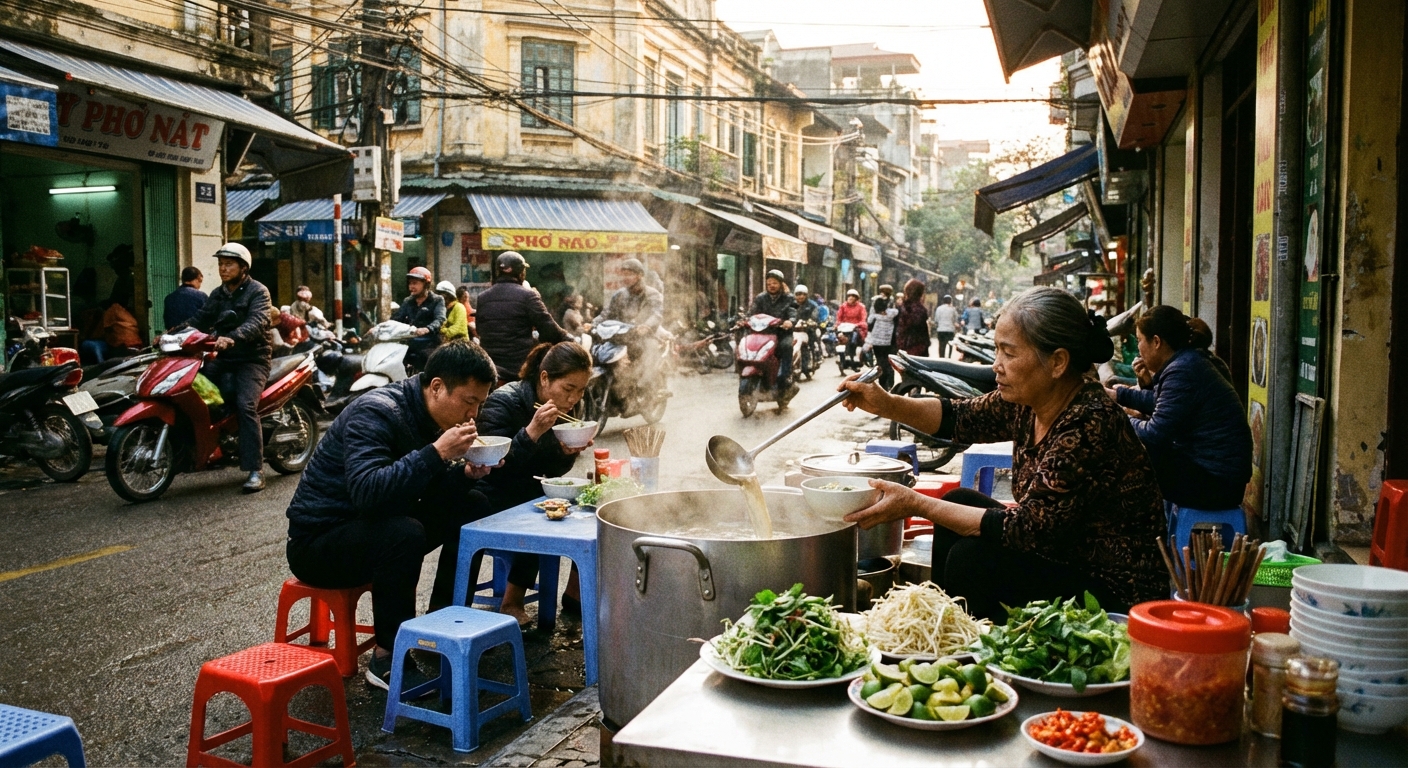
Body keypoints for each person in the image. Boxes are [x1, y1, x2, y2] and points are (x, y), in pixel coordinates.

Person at [837, 286, 1167, 620]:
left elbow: (1026, 529)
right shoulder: (1030, 400)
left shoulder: (1088, 422)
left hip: (1112, 590)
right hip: (1064, 555)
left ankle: (970, 651)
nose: (996, 366)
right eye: (997, 351)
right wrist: (886, 403)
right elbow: (959, 418)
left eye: (1008, 353)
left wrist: (915, 502)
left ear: (1057, 361)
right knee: (962, 500)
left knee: (972, 559)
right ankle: (945, 629)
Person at [283, 341, 501, 689]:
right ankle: (388, 658)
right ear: (436, 387)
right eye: (469, 402)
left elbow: (418, 492)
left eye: (480, 403)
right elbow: (370, 494)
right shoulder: (376, 411)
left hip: (371, 525)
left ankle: (444, 622)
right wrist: (436, 453)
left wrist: (463, 475)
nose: (473, 414)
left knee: (473, 503)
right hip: (319, 541)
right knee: (404, 533)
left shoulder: (431, 416)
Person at [478, 342, 594, 625]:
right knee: (538, 510)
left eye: (580, 391)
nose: (574, 399)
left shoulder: (563, 411)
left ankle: (576, 593)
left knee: (587, 507)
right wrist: (531, 433)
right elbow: (492, 468)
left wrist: (565, 452)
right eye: (568, 389)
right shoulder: (504, 401)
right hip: (491, 490)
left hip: (529, 488)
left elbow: (551, 470)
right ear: (544, 378)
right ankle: (511, 601)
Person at [1107, 306, 1252, 510]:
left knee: (1131, 453)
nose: (1138, 347)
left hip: (1218, 483)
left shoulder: (1183, 370)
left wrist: (1118, 419)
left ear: (1156, 342)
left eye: (1140, 340)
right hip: (1216, 475)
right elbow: (1159, 401)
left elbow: (1155, 433)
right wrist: (1117, 395)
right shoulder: (1185, 363)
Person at [187, 243, 273, 493]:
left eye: (229, 264)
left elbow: (258, 322)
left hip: (253, 359)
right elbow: (200, 318)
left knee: (246, 406)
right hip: (224, 356)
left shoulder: (259, 292)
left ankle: (256, 470)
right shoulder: (219, 293)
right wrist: (173, 334)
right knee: (193, 388)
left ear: (243, 268)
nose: (223, 269)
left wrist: (232, 337)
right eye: (220, 264)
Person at [476, 252, 570, 382]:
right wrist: (570, 341)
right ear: (521, 272)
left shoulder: (482, 298)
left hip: (489, 369)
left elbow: (480, 329)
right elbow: (549, 330)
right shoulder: (528, 296)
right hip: (519, 371)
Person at [592, 258, 666, 390]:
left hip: (645, 336)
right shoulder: (619, 295)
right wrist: (593, 323)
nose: (625, 278)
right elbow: (607, 313)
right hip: (623, 335)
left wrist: (646, 326)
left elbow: (657, 314)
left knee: (647, 351)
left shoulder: (652, 294)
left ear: (640, 275)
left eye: (629, 274)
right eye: (623, 274)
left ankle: (646, 388)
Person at [392, 266, 446, 370]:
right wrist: (381, 327)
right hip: (411, 343)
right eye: (410, 283)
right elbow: (397, 318)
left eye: (415, 283)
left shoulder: (437, 300)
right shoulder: (407, 301)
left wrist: (427, 329)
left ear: (426, 284)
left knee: (430, 369)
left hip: (430, 344)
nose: (411, 287)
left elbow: (440, 319)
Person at [866, 286, 899, 389]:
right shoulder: (894, 307)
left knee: (880, 361)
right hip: (891, 341)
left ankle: (883, 383)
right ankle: (890, 383)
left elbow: (869, 323)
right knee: (889, 361)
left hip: (877, 342)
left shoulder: (876, 301)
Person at [895, 278, 931, 357]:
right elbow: (923, 332)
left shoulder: (901, 308)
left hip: (902, 347)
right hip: (918, 348)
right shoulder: (921, 310)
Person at [835, 288, 868, 364]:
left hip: (856, 328)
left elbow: (863, 319)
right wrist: (837, 325)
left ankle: (854, 354)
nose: (851, 297)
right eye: (849, 296)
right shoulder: (843, 306)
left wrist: (857, 325)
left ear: (856, 298)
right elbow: (839, 318)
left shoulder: (861, 307)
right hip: (844, 328)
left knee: (854, 337)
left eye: (853, 296)